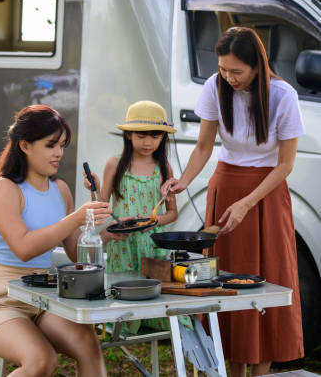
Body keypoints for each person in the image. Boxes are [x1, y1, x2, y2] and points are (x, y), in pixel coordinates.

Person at [162, 26, 304, 377]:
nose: (229, 77)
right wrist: (184, 181)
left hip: (266, 193)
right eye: (223, 69)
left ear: (258, 66)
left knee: (266, 280)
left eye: (236, 71)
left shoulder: (284, 97)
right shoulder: (215, 86)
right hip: (224, 187)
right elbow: (204, 147)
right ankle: (230, 370)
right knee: (223, 282)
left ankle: (260, 371)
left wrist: (247, 203)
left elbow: (285, 164)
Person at [0, 104, 112, 377]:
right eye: (50, 145)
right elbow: (23, 248)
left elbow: (74, 251)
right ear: (24, 145)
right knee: (41, 360)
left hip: (45, 299)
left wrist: (105, 231)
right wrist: (75, 218)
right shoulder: (3, 188)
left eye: (62, 145)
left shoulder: (60, 189)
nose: (59, 153)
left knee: (89, 345)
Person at [85, 100, 178, 334]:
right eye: (141, 135)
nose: (148, 142)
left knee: (155, 301)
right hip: (123, 246)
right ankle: (122, 331)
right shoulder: (115, 164)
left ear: (163, 138)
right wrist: (93, 189)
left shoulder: (164, 168)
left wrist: (154, 222)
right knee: (125, 301)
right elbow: (103, 207)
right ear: (128, 135)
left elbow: (172, 213)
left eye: (155, 136)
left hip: (153, 247)